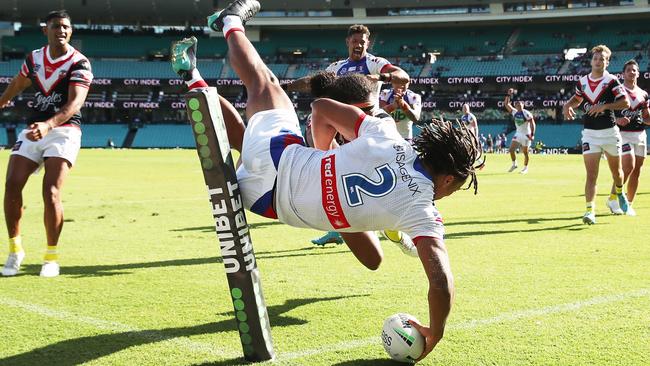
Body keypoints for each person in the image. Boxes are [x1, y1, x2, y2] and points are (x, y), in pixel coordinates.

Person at [175, 1, 482, 360]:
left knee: (264, 87)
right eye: (458, 186)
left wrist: (322, 157)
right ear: (446, 179)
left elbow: (320, 107)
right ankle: (211, 48)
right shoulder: (423, 212)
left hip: (276, 160)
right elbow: (440, 281)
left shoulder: (386, 133)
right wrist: (435, 333)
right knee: (262, 105)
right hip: (265, 203)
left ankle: (216, 46)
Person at [290, 24, 410, 246]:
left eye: (363, 41)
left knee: (385, 176)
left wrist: (381, 79)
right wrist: (285, 87)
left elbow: (403, 77)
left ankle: (398, 225)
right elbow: (313, 82)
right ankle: (340, 230)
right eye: (355, 41)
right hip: (346, 131)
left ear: (368, 42)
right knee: (337, 177)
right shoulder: (337, 67)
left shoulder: (375, 64)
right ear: (348, 42)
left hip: (372, 128)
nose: (359, 45)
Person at [0, 10, 92, 277]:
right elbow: (19, 82)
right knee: (11, 184)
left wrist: (49, 125)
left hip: (64, 130)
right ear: (45, 30)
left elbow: (75, 103)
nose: (61, 31)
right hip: (34, 128)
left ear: (71, 31)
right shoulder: (35, 58)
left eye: (65, 27)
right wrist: (3, 100)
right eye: (56, 27)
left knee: (51, 191)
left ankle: (51, 256)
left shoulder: (80, 63)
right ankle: (15, 251)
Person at [562, 45, 630, 225]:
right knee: (591, 175)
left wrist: (605, 106)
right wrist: (567, 105)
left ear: (607, 63)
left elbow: (626, 103)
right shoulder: (582, 82)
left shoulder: (612, 81)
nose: (598, 61)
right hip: (590, 134)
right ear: (591, 61)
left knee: (617, 173)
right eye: (595, 58)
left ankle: (619, 192)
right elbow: (576, 99)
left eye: (602, 59)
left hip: (609, 133)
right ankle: (590, 211)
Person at [606, 60, 650, 216]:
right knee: (628, 167)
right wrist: (617, 120)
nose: (632, 72)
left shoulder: (644, 94)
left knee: (636, 171)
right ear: (623, 74)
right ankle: (613, 199)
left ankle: (628, 204)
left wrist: (648, 117)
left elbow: (645, 118)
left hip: (640, 134)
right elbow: (606, 111)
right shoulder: (617, 92)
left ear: (638, 73)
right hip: (622, 135)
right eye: (629, 70)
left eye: (634, 70)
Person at [504, 89, 536, 174]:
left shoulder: (526, 113)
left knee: (525, 152)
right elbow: (506, 104)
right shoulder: (514, 112)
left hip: (526, 134)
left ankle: (525, 168)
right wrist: (508, 95)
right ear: (515, 105)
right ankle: (514, 164)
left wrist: (532, 134)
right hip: (518, 133)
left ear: (523, 105)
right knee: (511, 150)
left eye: (520, 104)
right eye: (517, 104)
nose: (519, 105)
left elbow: (533, 123)